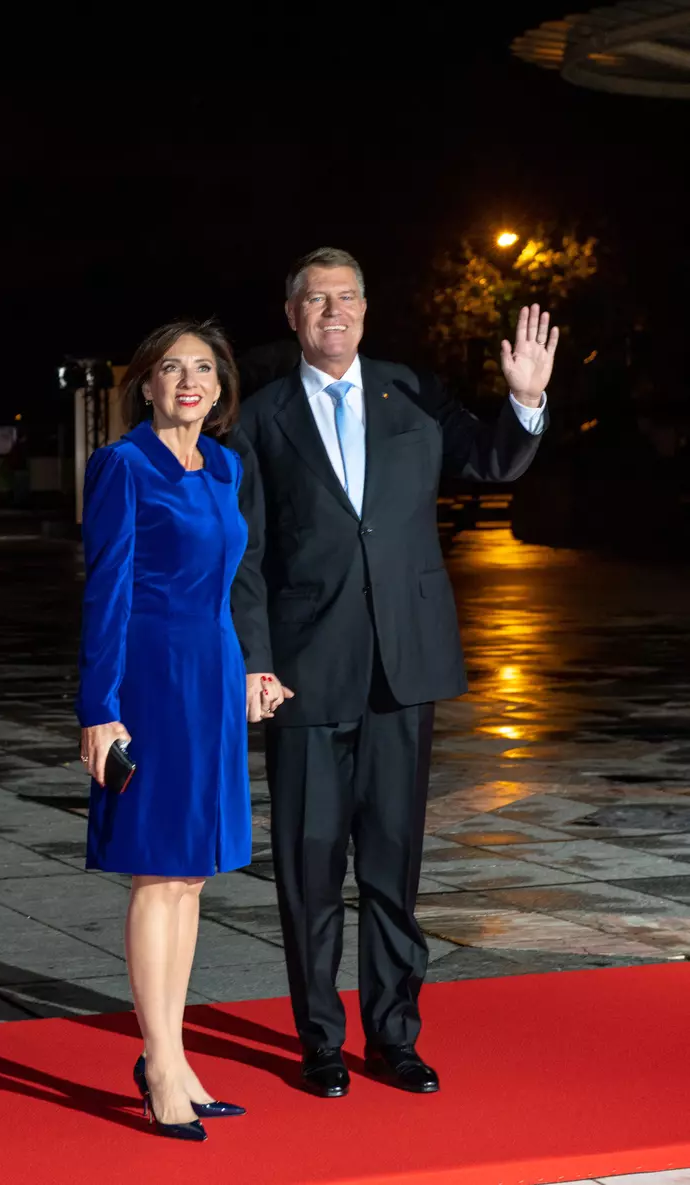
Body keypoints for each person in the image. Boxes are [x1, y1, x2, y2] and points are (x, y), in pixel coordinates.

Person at [231, 247, 557, 1099]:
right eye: (316, 300)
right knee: (308, 873)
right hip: (304, 673)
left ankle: (394, 1036)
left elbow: (490, 461)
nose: (333, 311)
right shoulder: (260, 419)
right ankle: (319, 1041)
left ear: (365, 311)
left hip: (401, 667)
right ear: (293, 315)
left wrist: (524, 400)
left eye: (347, 297)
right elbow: (249, 558)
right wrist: (255, 662)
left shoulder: (409, 390)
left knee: (391, 868)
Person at [76, 319, 268, 1143]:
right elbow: (105, 593)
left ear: (221, 385)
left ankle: (177, 1055)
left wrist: (251, 668)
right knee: (158, 872)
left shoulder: (224, 464)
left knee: (192, 875)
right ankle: (157, 1062)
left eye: (203, 367)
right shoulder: (123, 466)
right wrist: (99, 708)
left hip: (214, 675)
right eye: (170, 367)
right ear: (145, 385)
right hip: (151, 681)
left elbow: (230, 582)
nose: (188, 379)